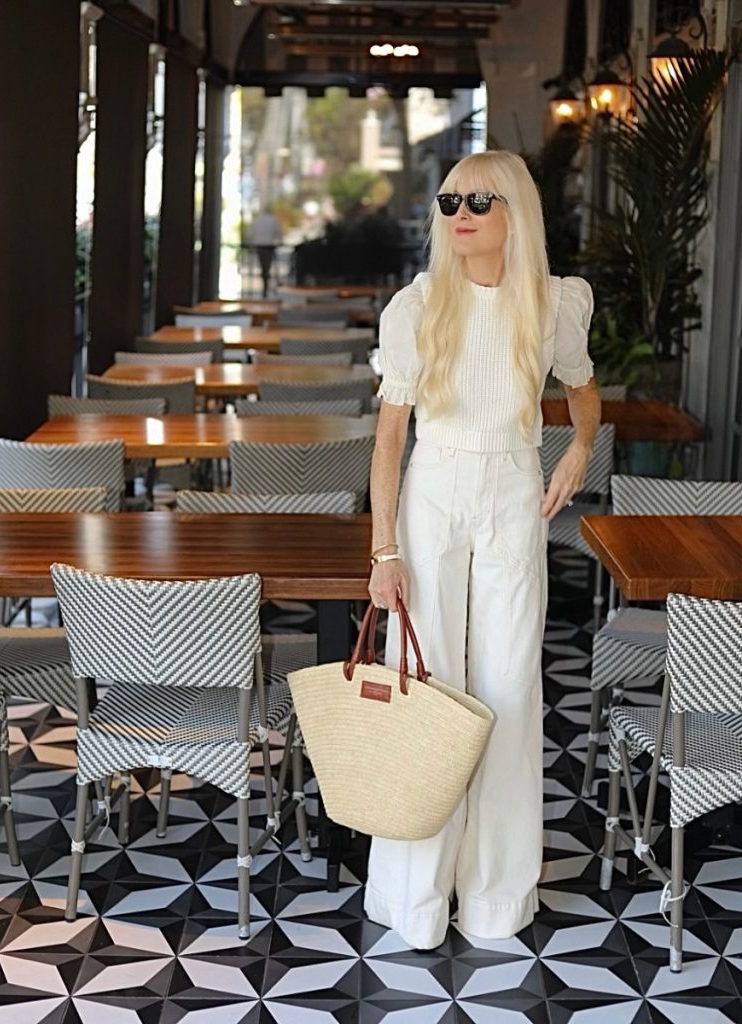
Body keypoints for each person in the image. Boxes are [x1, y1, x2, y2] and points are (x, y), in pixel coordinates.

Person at [365, 151, 601, 949]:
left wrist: (579, 449)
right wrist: (384, 551)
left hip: (514, 489)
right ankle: (414, 898)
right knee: (425, 685)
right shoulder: (418, 305)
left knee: (510, 689)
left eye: (478, 201)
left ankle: (498, 897)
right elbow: (388, 441)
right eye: (449, 201)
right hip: (433, 489)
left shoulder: (555, 302)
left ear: (515, 211)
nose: (460, 215)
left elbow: (582, 388)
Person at [249, 206, 282, 297]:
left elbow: (250, 234)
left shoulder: (257, 221)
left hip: (260, 246)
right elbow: (279, 233)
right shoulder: (273, 220)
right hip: (269, 246)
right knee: (267, 266)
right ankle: (266, 286)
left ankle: (265, 286)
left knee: (263, 266)